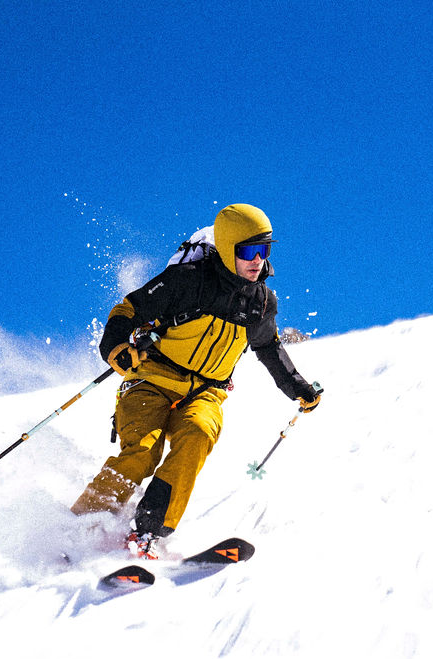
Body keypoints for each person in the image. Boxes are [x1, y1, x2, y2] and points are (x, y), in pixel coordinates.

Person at [71, 203, 321, 558]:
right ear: (228, 246)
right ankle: (80, 528)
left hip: (205, 394)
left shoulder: (261, 302)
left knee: (199, 434)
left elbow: (267, 347)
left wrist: (298, 387)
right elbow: (129, 309)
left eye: (264, 251)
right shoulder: (189, 281)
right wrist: (116, 347)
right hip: (151, 380)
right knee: (142, 452)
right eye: (248, 251)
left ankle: (146, 534)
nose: (258, 261)